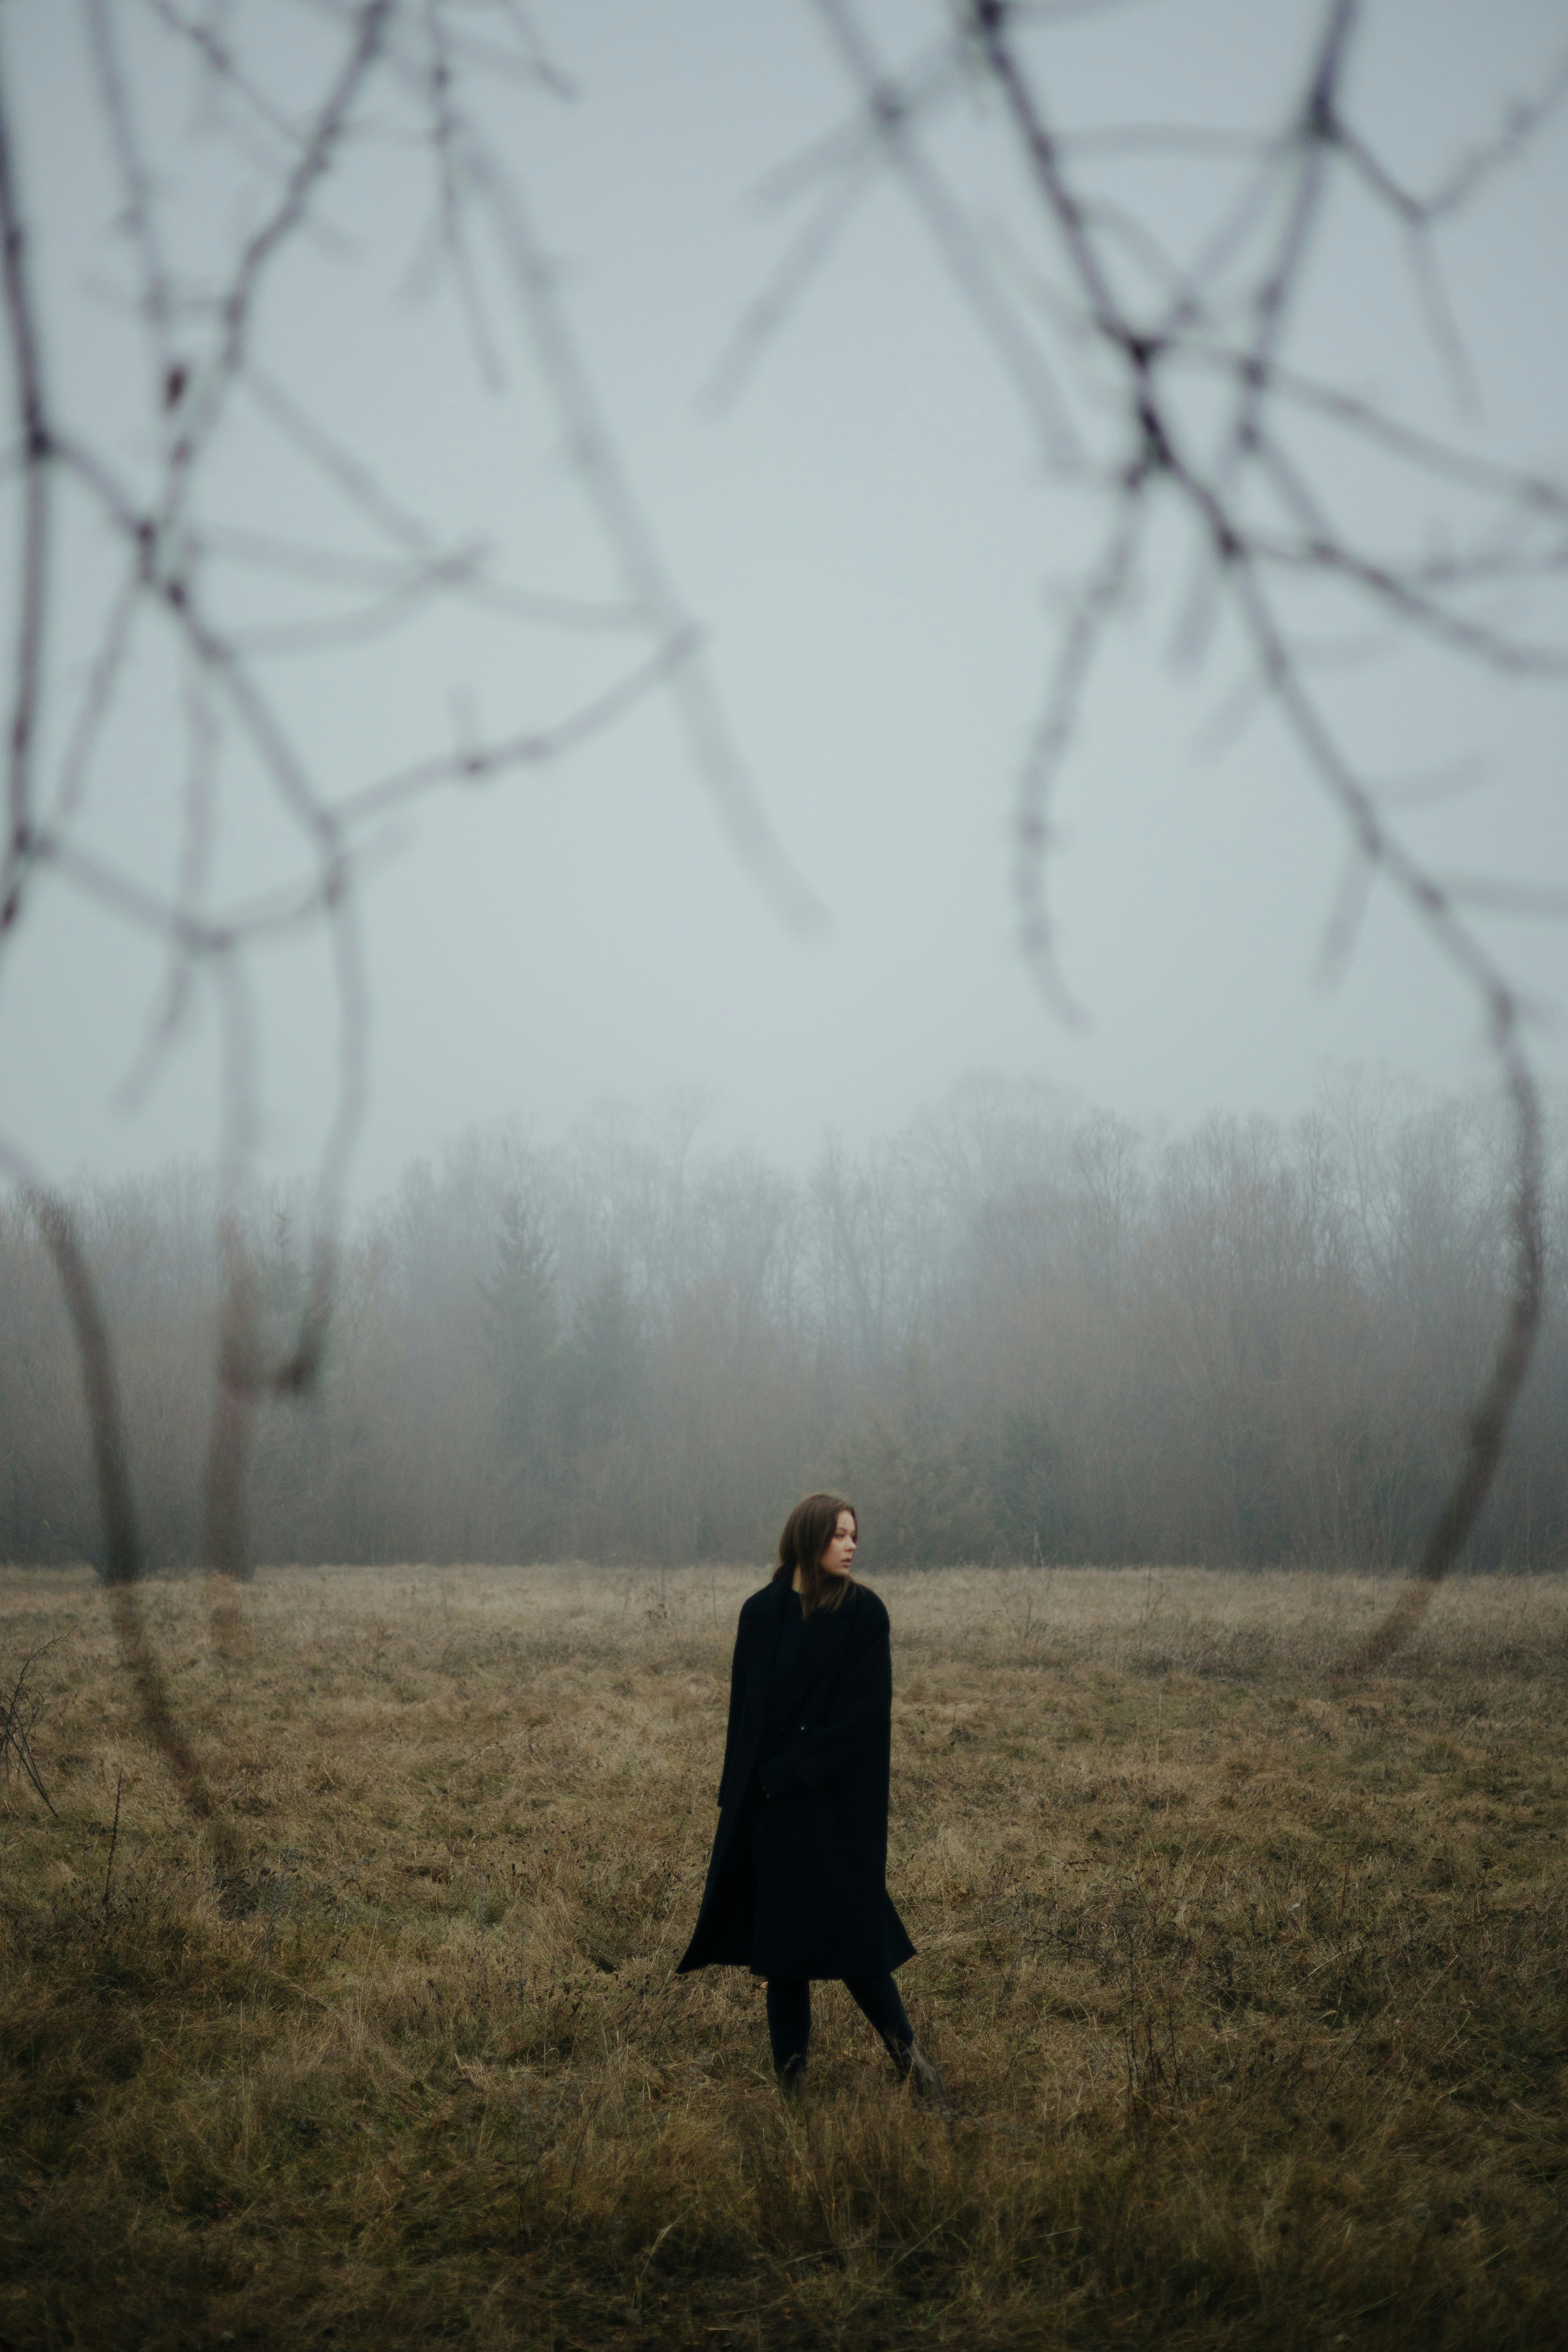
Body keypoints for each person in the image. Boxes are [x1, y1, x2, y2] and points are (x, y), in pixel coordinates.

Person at [677, 1491, 950, 2107]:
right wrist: (739, 1792)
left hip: (833, 1807)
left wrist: (794, 1771)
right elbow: (744, 1714)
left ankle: (915, 2066)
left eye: (854, 1536)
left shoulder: (864, 1614)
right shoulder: (760, 1612)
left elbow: (863, 1719)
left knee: (855, 1942)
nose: (851, 1546)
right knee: (783, 1953)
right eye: (839, 1535)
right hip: (768, 1809)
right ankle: (793, 2087)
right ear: (808, 1538)